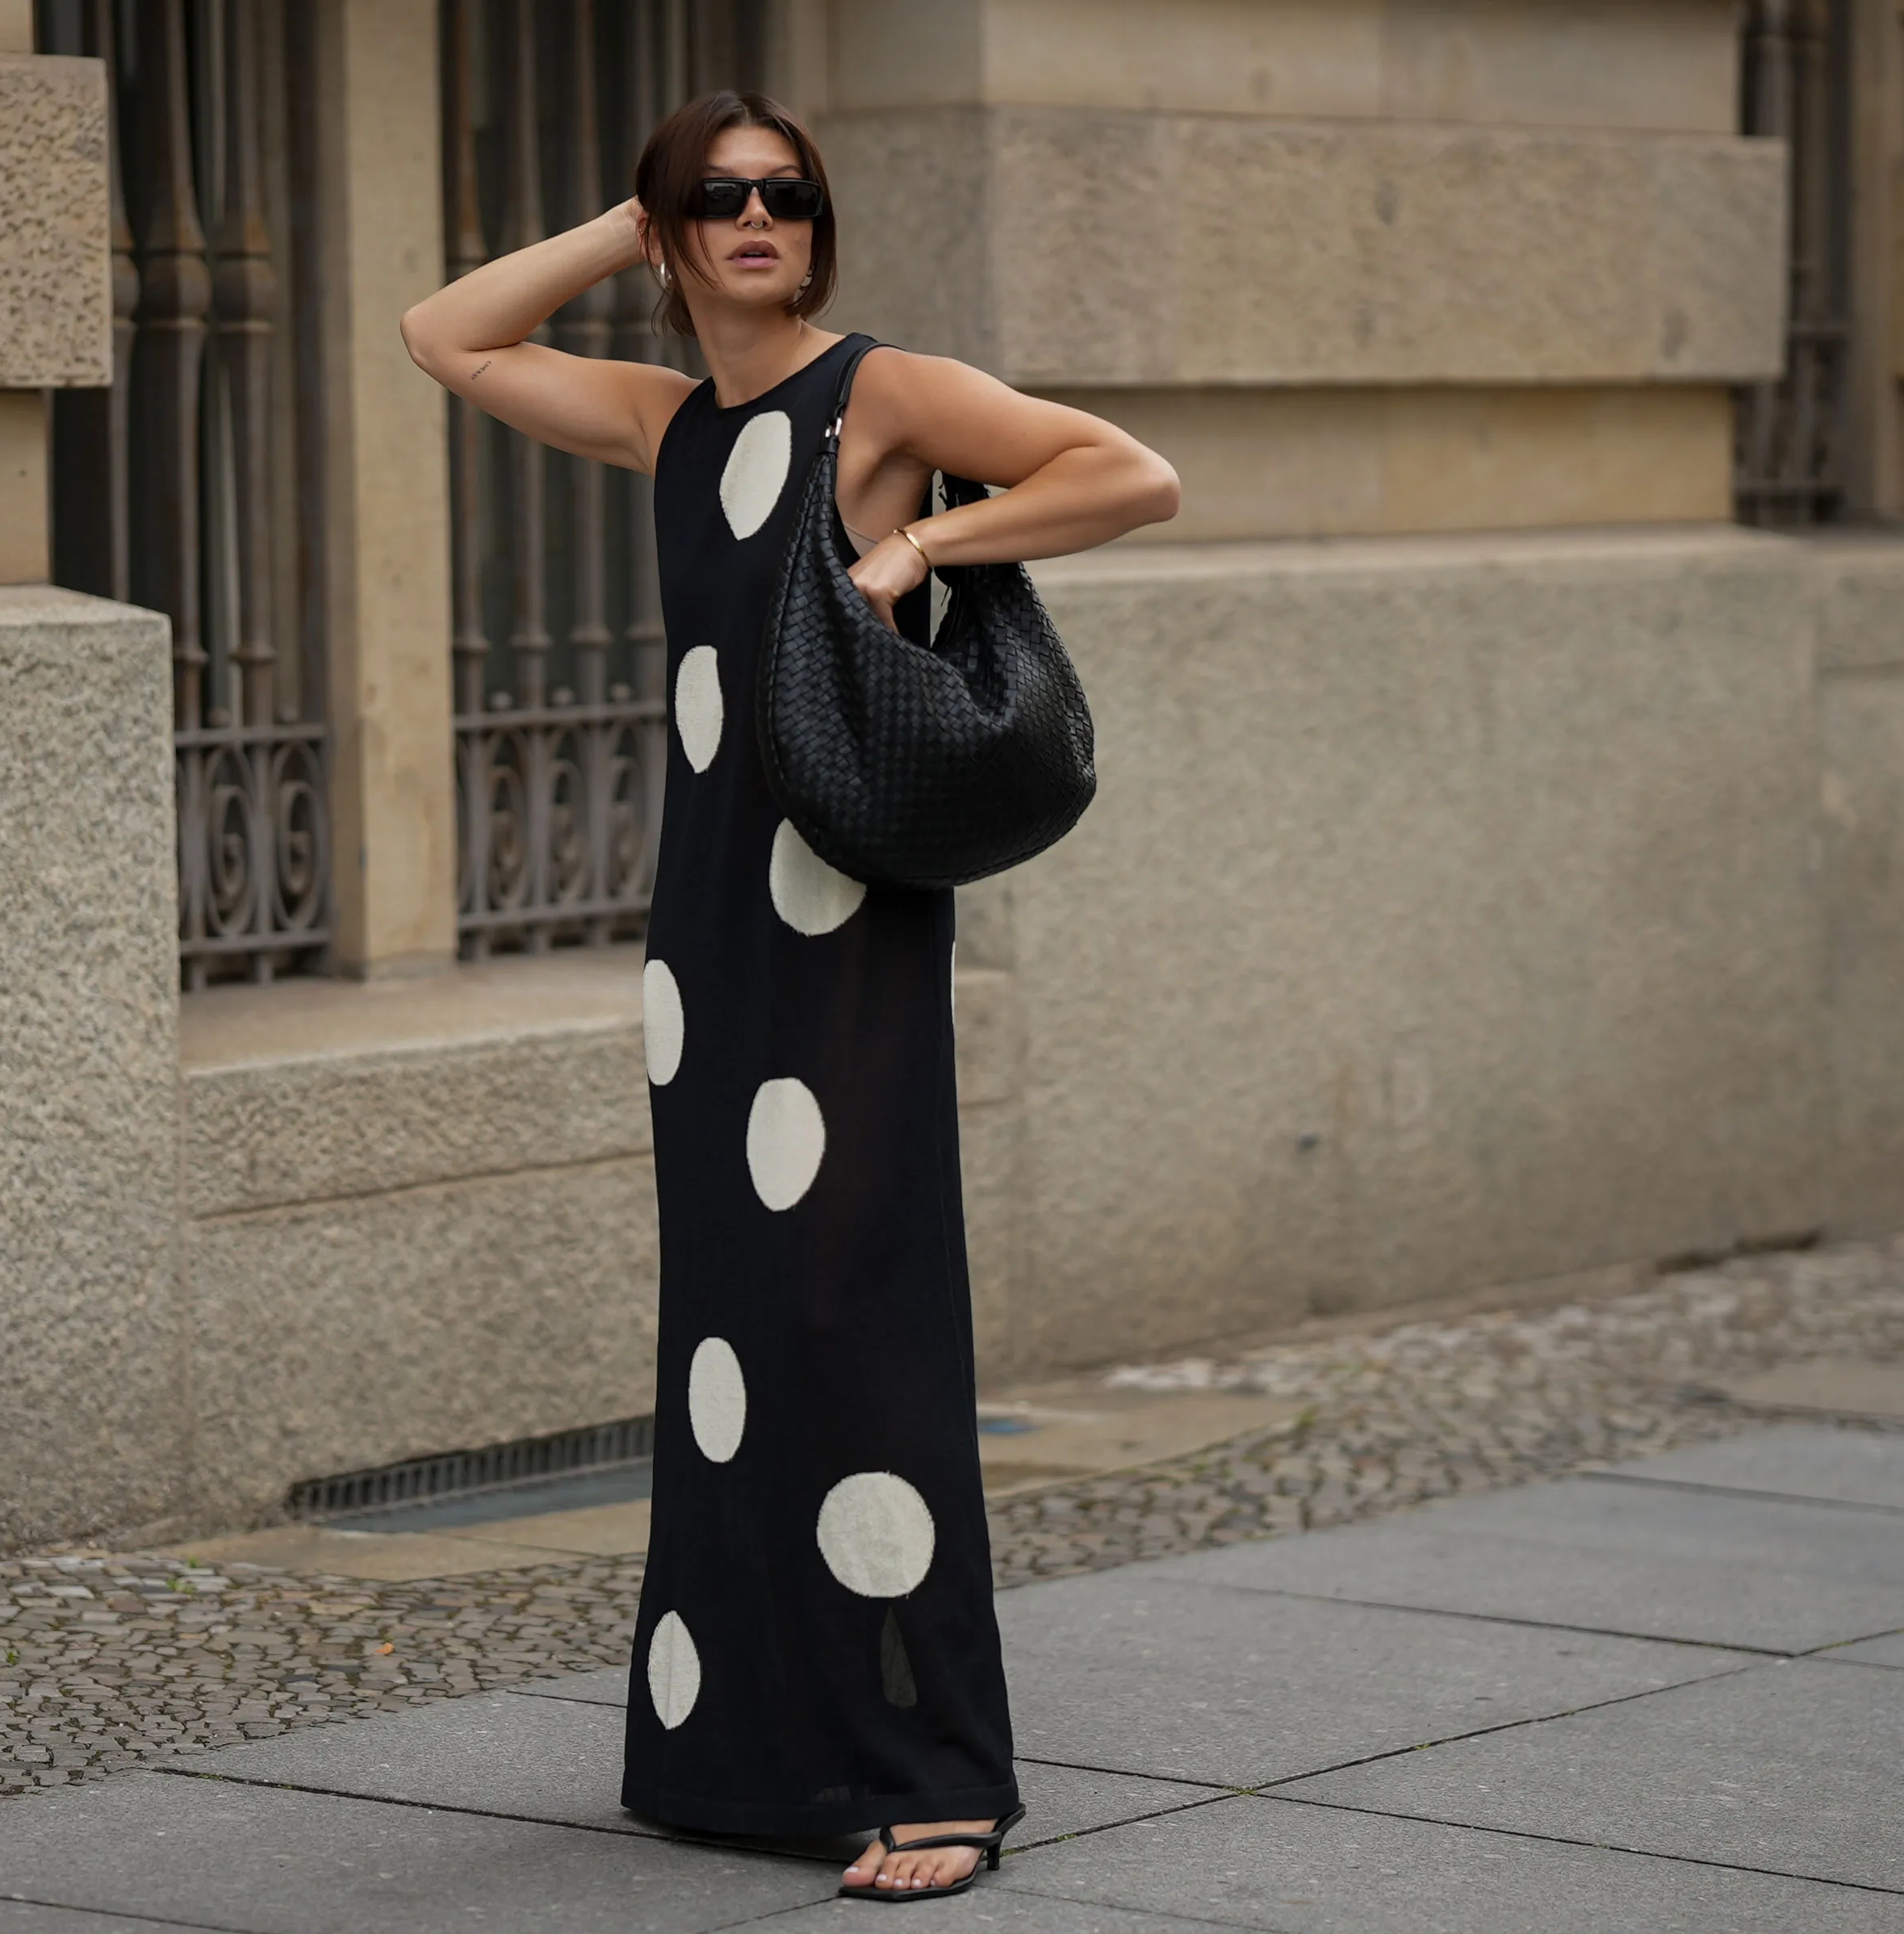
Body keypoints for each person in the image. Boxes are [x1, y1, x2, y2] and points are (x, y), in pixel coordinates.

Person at [403, 90, 1178, 1901]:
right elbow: (445, 335)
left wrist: (918, 550)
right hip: (705, 937)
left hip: (840, 917)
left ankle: (938, 1775)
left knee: (855, 1323)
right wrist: (628, 220)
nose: (760, 218)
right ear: (673, 230)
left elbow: (1129, 474)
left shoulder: (879, 394)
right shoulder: (669, 420)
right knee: (734, 1339)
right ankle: (741, 1752)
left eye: (788, 195)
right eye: (720, 197)